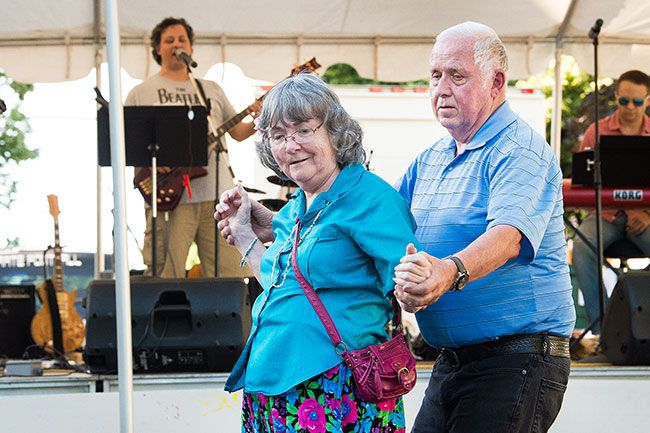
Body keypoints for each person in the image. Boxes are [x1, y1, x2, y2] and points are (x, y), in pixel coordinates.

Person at [392, 22, 575, 433]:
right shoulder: (431, 158)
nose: (441, 88)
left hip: (516, 360)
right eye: (435, 75)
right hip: (455, 359)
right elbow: (383, 225)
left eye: (457, 76)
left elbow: (508, 237)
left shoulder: (521, 149)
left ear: (496, 82)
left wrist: (446, 272)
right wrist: (280, 227)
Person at [214, 73, 418, 432]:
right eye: (278, 136)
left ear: (335, 132)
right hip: (270, 387)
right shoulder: (294, 208)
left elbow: (414, 287)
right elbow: (283, 288)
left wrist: (421, 285)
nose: (290, 145)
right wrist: (246, 235)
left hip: (334, 389)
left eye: (304, 130)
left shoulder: (371, 198)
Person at [125, 17, 259, 278]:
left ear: (191, 48)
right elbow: (132, 147)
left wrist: (260, 117)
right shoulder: (142, 92)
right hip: (171, 197)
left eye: (182, 39)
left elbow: (239, 133)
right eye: (169, 40)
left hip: (217, 197)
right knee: (167, 273)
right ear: (157, 49)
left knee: (229, 274)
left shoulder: (210, 89)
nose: (177, 44)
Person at [572, 70, 650, 334]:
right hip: (605, 214)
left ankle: (641, 319)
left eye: (637, 102)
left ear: (647, 101)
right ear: (616, 98)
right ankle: (606, 332)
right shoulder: (597, 131)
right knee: (582, 247)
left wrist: (645, 213)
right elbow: (583, 178)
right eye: (624, 101)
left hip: (646, 216)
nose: (630, 107)